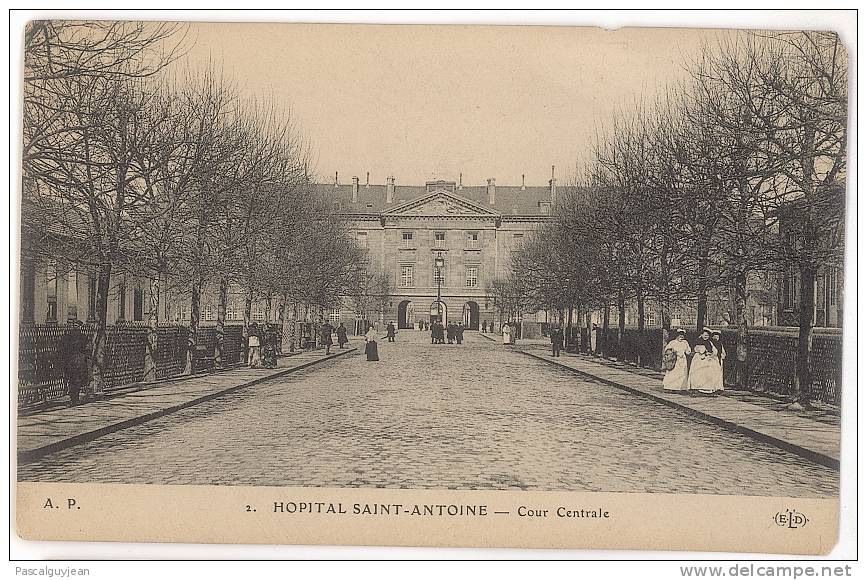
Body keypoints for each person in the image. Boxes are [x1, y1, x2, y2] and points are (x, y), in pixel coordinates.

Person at [57, 321, 89, 405]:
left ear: (80, 327)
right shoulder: (68, 337)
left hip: (78, 361)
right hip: (72, 361)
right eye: (74, 326)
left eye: (77, 326)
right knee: (72, 380)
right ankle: (73, 398)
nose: (75, 327)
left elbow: (86, 348)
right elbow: (62, 348)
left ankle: (75, 398)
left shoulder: (82, 337)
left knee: (76, 380)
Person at [688, 327, 720, 395]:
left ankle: (707, 388)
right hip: (699, 359)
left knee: (708, 373)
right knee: (698, 373)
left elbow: (714, 351)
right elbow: (698, 349)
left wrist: (711, 354)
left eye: (707, 336)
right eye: (705, 335)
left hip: (707, 359)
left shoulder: (710, 342)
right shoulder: (698, 341)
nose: (706, 337)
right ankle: (697, 388)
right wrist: (703, 351)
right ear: (702, 335)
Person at [662, 328, 691, 392]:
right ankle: (670, 386)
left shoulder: (685, 342)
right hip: (674, 360)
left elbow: (688, 351)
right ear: (677, 335)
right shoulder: (672, 342)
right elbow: (667, 350)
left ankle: (681, 387)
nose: (681, 337)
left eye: (682, 335)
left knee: (682, 373)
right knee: (673, 373)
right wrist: (673, 351)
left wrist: (688, 351)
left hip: (682, 360)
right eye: (680, 335)